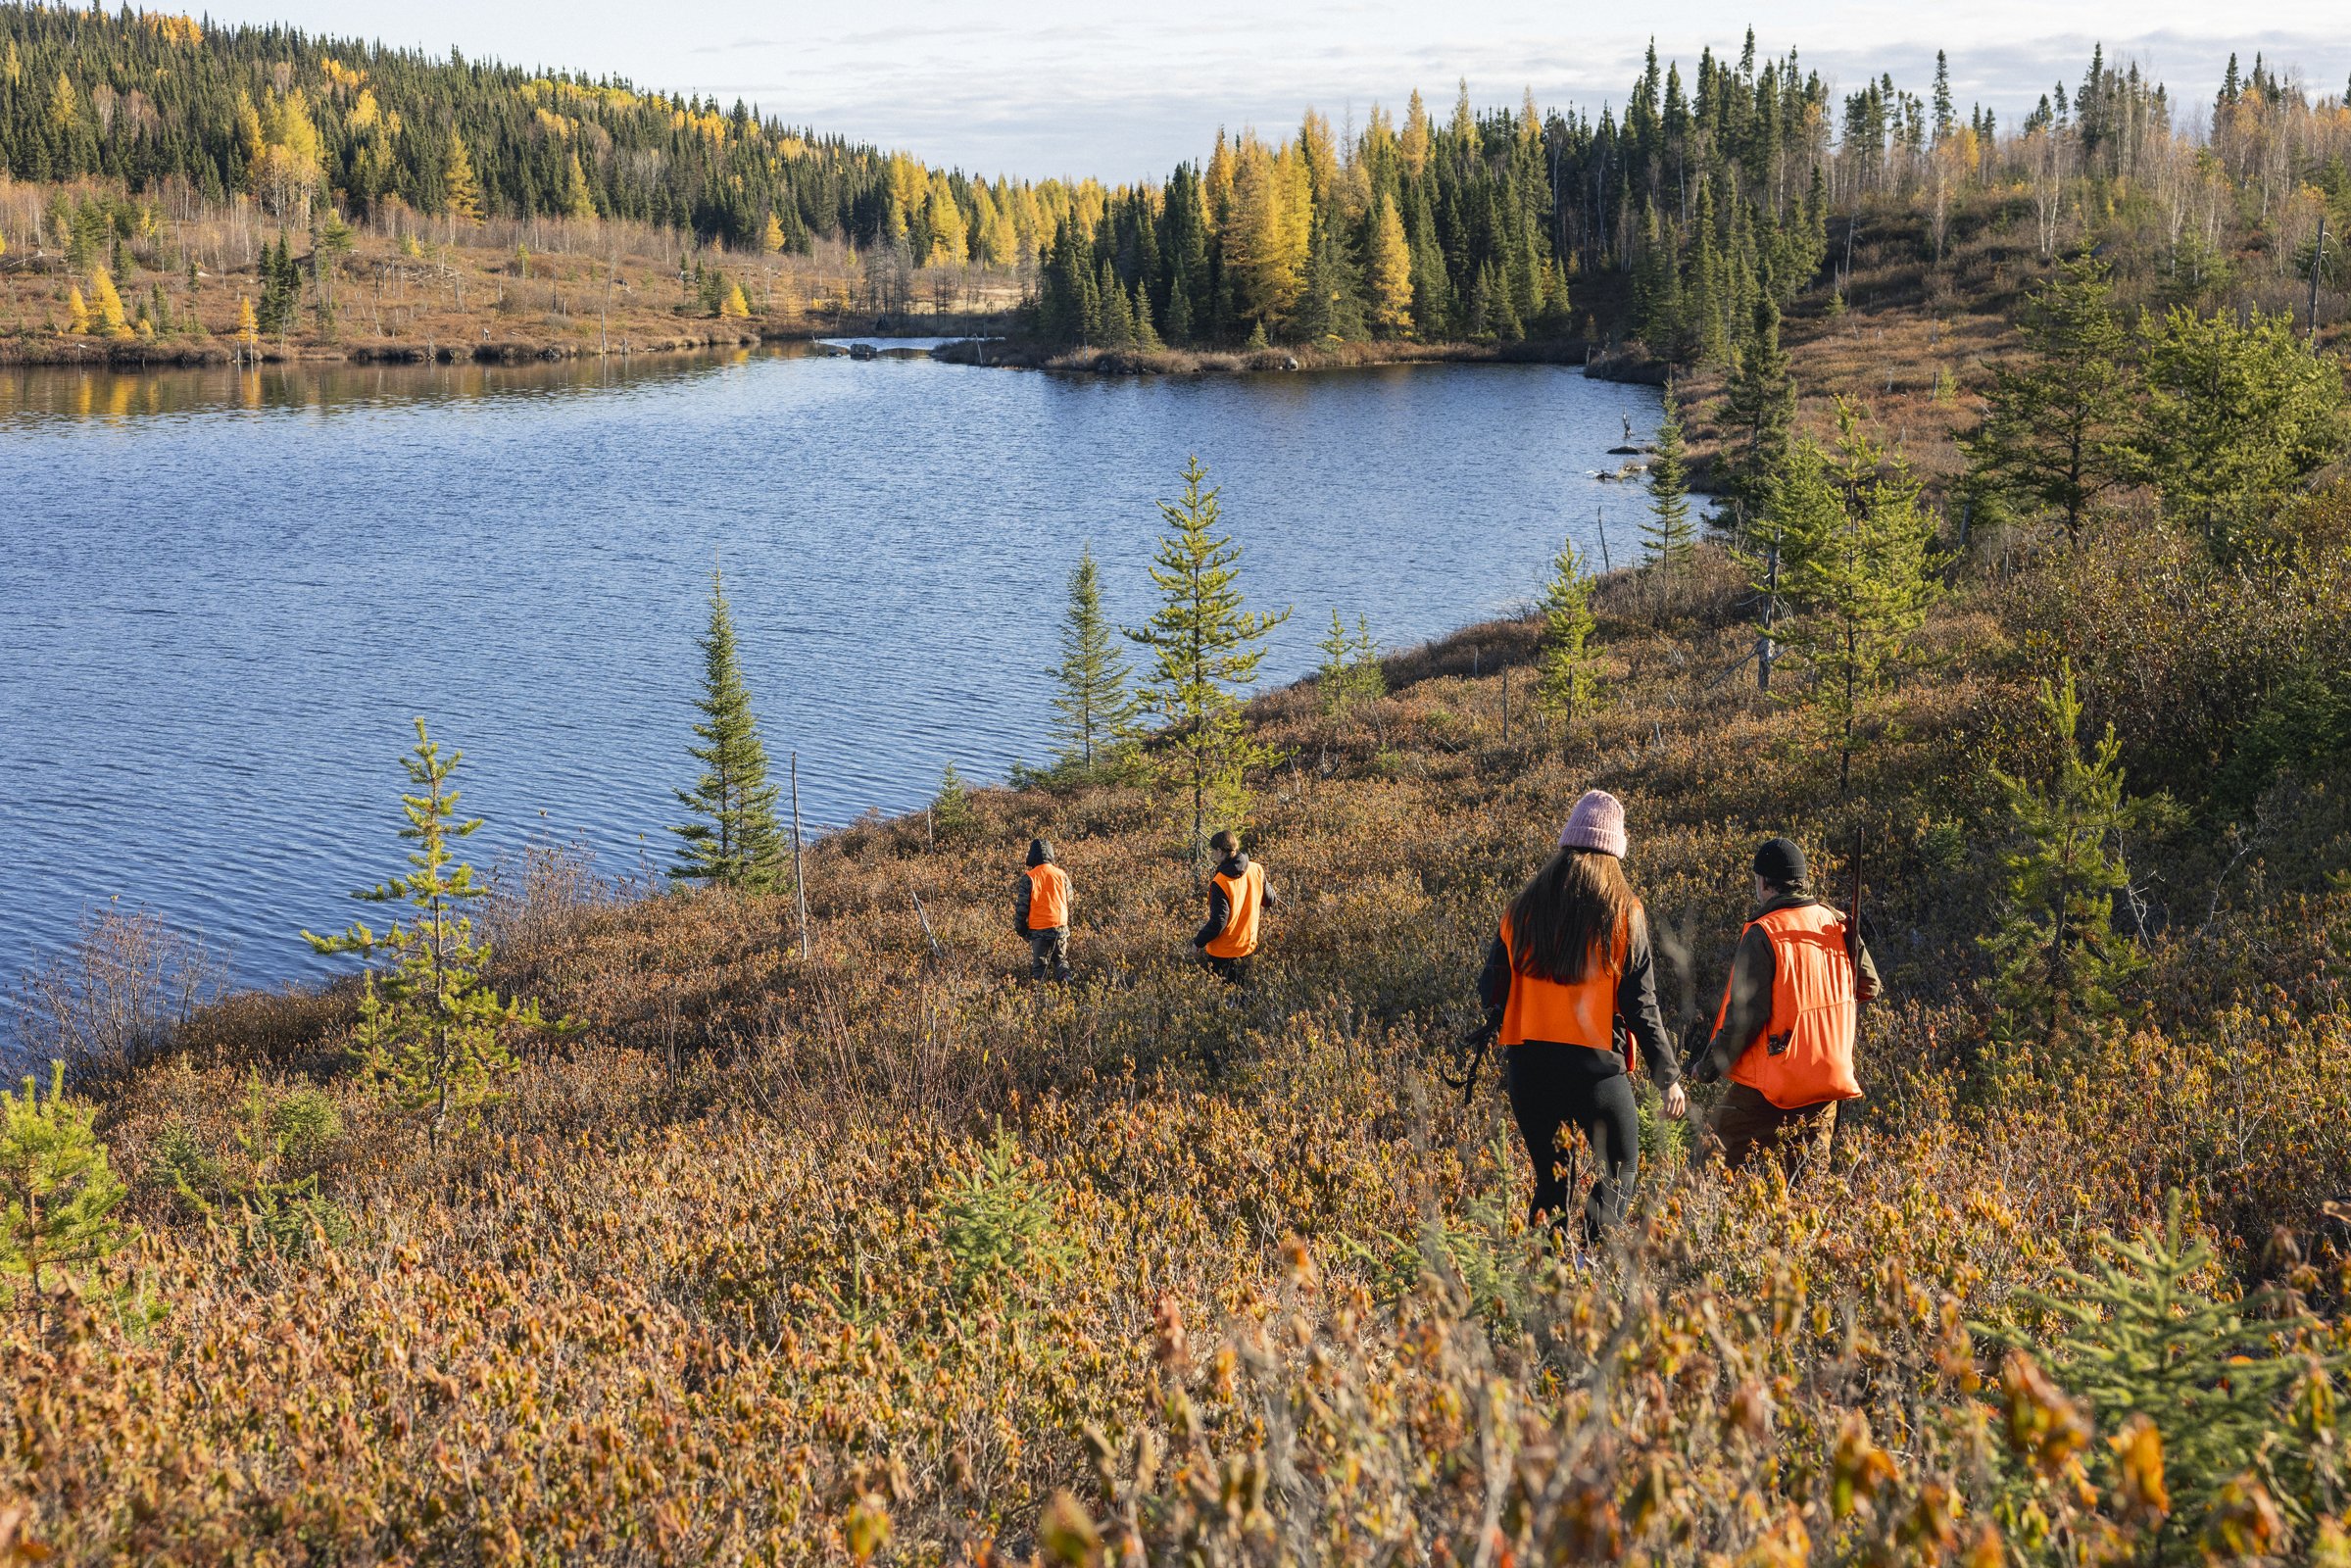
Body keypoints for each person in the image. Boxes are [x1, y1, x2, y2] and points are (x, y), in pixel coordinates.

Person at [1478, 790, 1687, 1241]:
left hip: (1530, 1068)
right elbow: (1641, 1005)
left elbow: (1488, 989)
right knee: (1621, 1168)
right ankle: (1589, 1256)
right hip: (1595, 1071)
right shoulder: (1624, 912)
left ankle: (1545, 1270)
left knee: (1552, 1182)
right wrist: (1667, 1077)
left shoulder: (1521, 908)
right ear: (1615, 850)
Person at [1689, 836, 1881, 1173]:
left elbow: (1747, 1016)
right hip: (1828, 1078)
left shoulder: (1764, 932)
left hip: (1775, 1083)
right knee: (1808, 1182)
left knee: (1708, 1163)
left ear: (1764, 882)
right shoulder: (1836, 921)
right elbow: (1868, 986)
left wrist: (1708, 1067)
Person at [1195, 829, 1278, 984]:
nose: (1213, 856)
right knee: (1244, 994)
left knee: (1221, 996)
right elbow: (1270, 900)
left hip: (1222, 953)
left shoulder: (1220, 882)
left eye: (1213, 852)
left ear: (1220, 852)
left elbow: (1218, 923)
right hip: (1247, 947)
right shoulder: (1256, 869)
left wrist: (1198, 941)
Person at [1012, 838, 1072, 982]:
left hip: (1039, 929)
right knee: (1061, 960)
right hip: (1060, 926)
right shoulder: (1062, 875)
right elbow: (1069, 899)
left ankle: (1041, 990)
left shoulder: (1029, 877)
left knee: (1039, 967)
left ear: (1032, 855)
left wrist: (1020, 929)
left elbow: (1022, 907)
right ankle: (1066, 978)